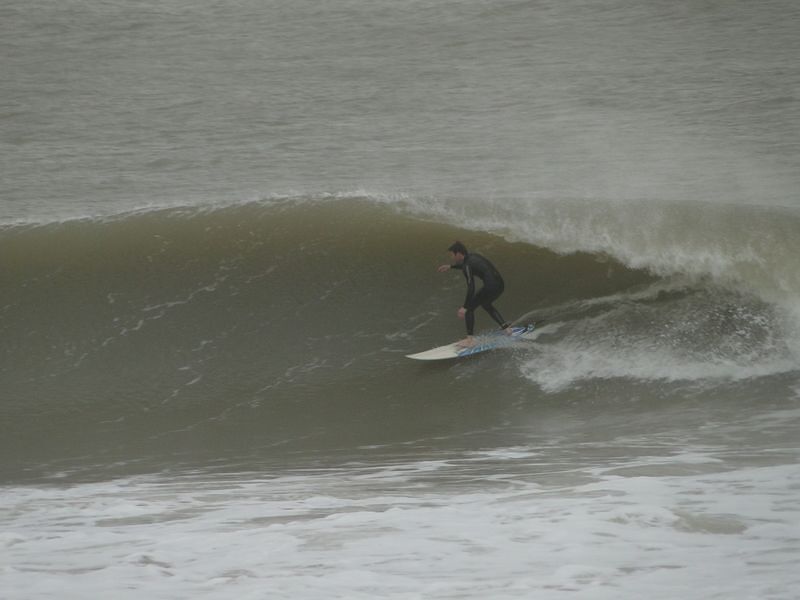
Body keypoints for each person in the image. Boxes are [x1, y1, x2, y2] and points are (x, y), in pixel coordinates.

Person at [438, 241, 511, 347]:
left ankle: (470, 340)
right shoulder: (473, 256)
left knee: (469, 310)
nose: (452, 257)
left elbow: (471, 287)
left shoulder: (467, 265)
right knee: (486, 304)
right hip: (500, 284)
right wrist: (450, 266)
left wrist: (464, 307)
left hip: (490, 287)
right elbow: (466, 266)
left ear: (458, 253)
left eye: (452, 255)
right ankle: (506, 328)